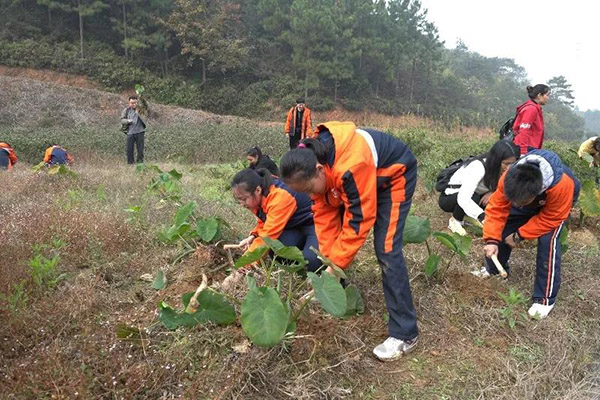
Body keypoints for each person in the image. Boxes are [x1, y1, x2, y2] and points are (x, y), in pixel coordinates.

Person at [280, 121, 419, 361]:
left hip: (393, 176)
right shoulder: (317, 169)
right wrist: (329, 266)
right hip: (355, 180)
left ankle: (405, 333)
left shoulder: (350, 165)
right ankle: (340, 293)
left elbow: (359, 222)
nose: (310, 195)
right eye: (305, 193)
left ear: (320, 170)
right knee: (334, 252)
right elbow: (324, 217)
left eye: (310, 189)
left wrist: (335, 266)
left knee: (386, 249)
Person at [479, 149, 580, 319]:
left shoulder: (562, 185)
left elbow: (551, 218)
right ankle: (494, 269)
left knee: (548, 242)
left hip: (557, 204)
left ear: (535, 193)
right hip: (528, 195)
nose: (516, 204)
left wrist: (519, 235)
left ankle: (544, 298)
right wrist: (491, 240)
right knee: (507, 224)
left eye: (520, 202)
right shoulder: (511, 177)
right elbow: (497, 208)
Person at [231, 168, 321, 272]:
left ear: (258, 190)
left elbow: (267, 237)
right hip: (294, 225)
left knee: (312, 261)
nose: (242, 204)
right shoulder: (260, 197)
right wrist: (253, 235)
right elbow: (265, 220)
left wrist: (243, 267)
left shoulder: (279, 197)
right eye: (239, 200)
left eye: (243, 199)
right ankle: (297, 267)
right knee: (277, 250)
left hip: (314, 223)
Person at [439, 141, 520, 236]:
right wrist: (482, 216)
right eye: (506, 163)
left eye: (512, 163)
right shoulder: (478, 167)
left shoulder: (503, 169)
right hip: (451, 197)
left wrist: (492, 192)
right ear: (497, 160)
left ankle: (468, 216)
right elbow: (463, 198)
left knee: (492, 201)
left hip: (477, 194)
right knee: (474, 198)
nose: (509, 167)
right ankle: (456, 220)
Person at [513, 84, 550, 156]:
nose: (548, 98)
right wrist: (523, 152)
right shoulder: (531, 109)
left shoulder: (535, 108)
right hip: (526, 149)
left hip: (530, 148)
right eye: (547, 95)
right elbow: (523, 130)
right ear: (539, 95)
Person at [120, 95, 146, 164]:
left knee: (140, 150)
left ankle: (140, 164)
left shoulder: (140, 109)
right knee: (129, 150)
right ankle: (130, 164)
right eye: (132, 103)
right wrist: (128, 121)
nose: (133, 104)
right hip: (130, 132)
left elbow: (145, 105)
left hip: (140, 132)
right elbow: (122, 120)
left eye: (135, 102)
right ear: (129, 103)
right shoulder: (126, 110)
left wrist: (141, 97)